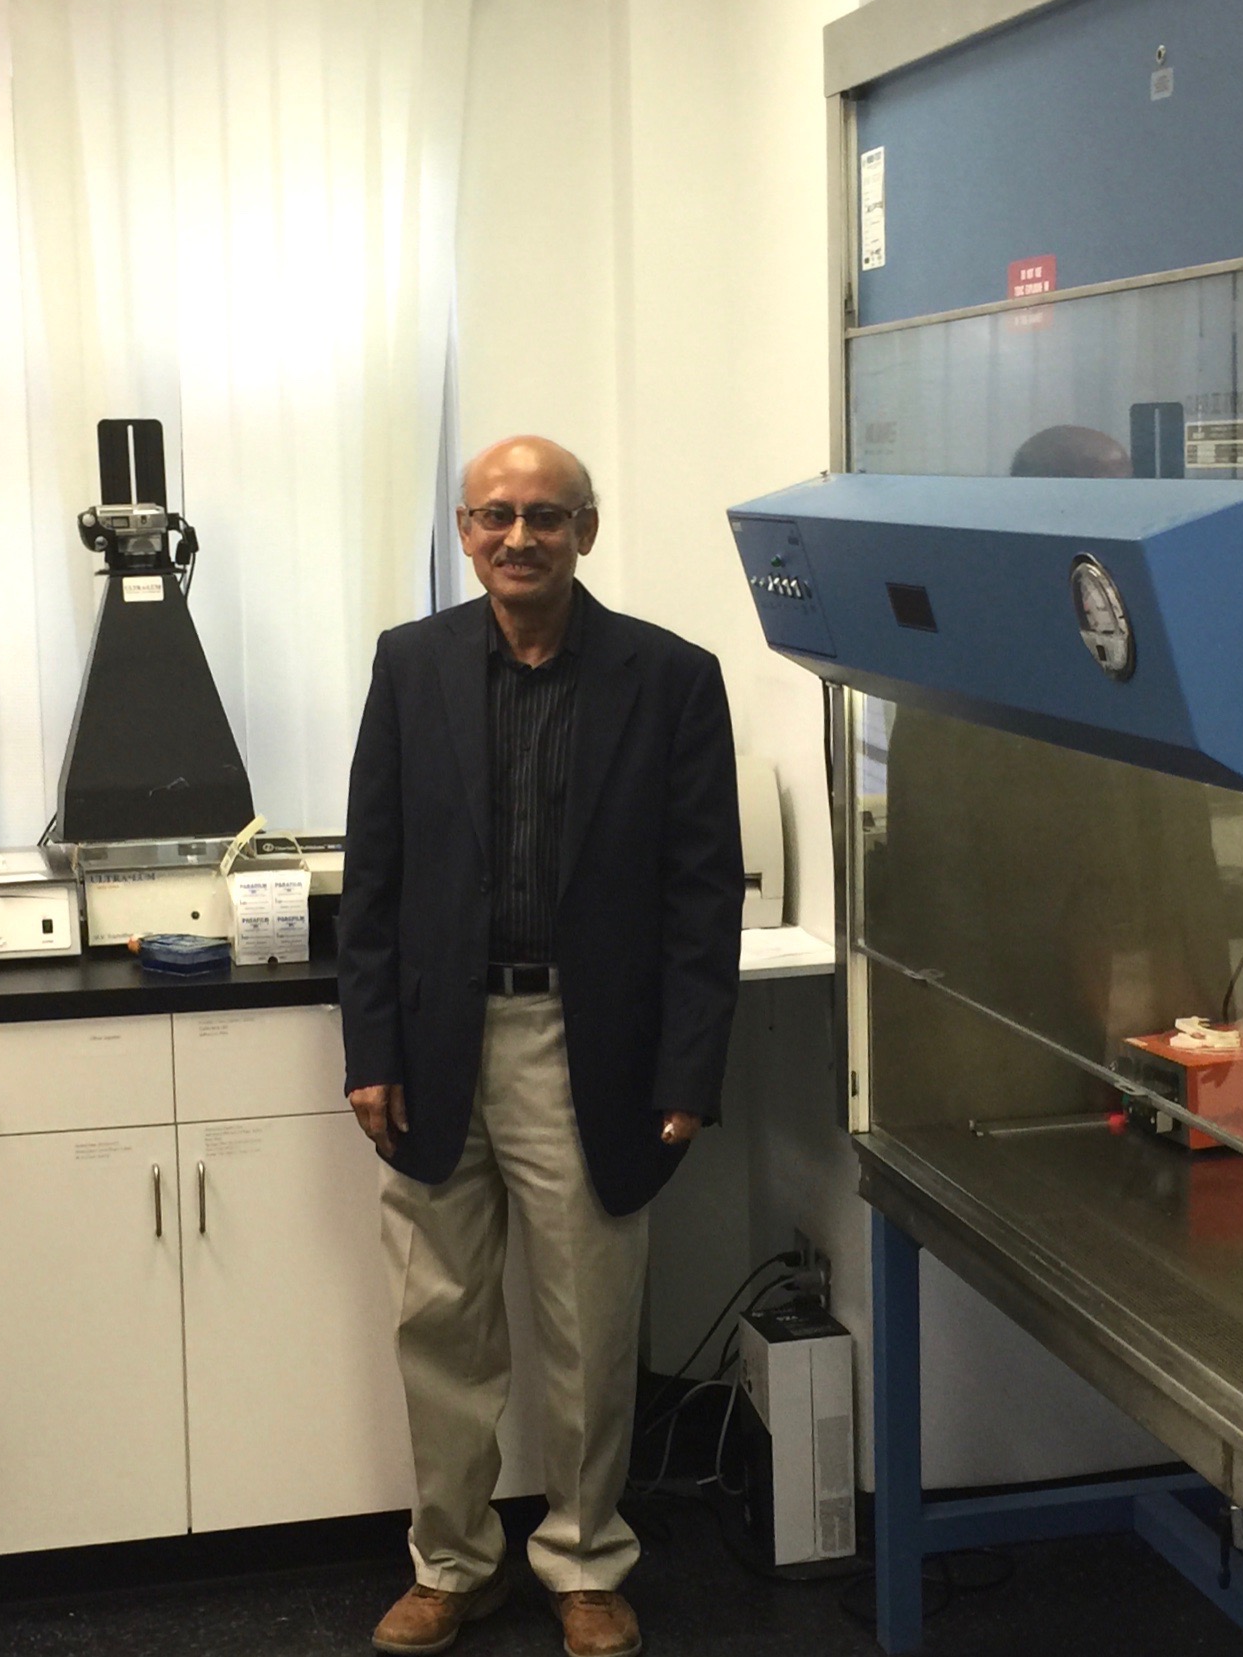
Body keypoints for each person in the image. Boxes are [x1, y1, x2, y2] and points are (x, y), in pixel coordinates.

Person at [337, 435, 744, 1657]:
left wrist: (687, 1074)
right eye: (497, 514)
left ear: (586, 530)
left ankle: (582, 1558)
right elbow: (373, 878)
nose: (521, 536)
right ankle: (452, 1562)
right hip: (435, 1042)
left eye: (547, 516)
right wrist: (370, 1048)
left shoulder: (671, 678)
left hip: (586, 1042)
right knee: (440, 1322)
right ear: (465, 530)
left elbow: (702, 894)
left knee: (589, 1325)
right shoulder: (409, 665)